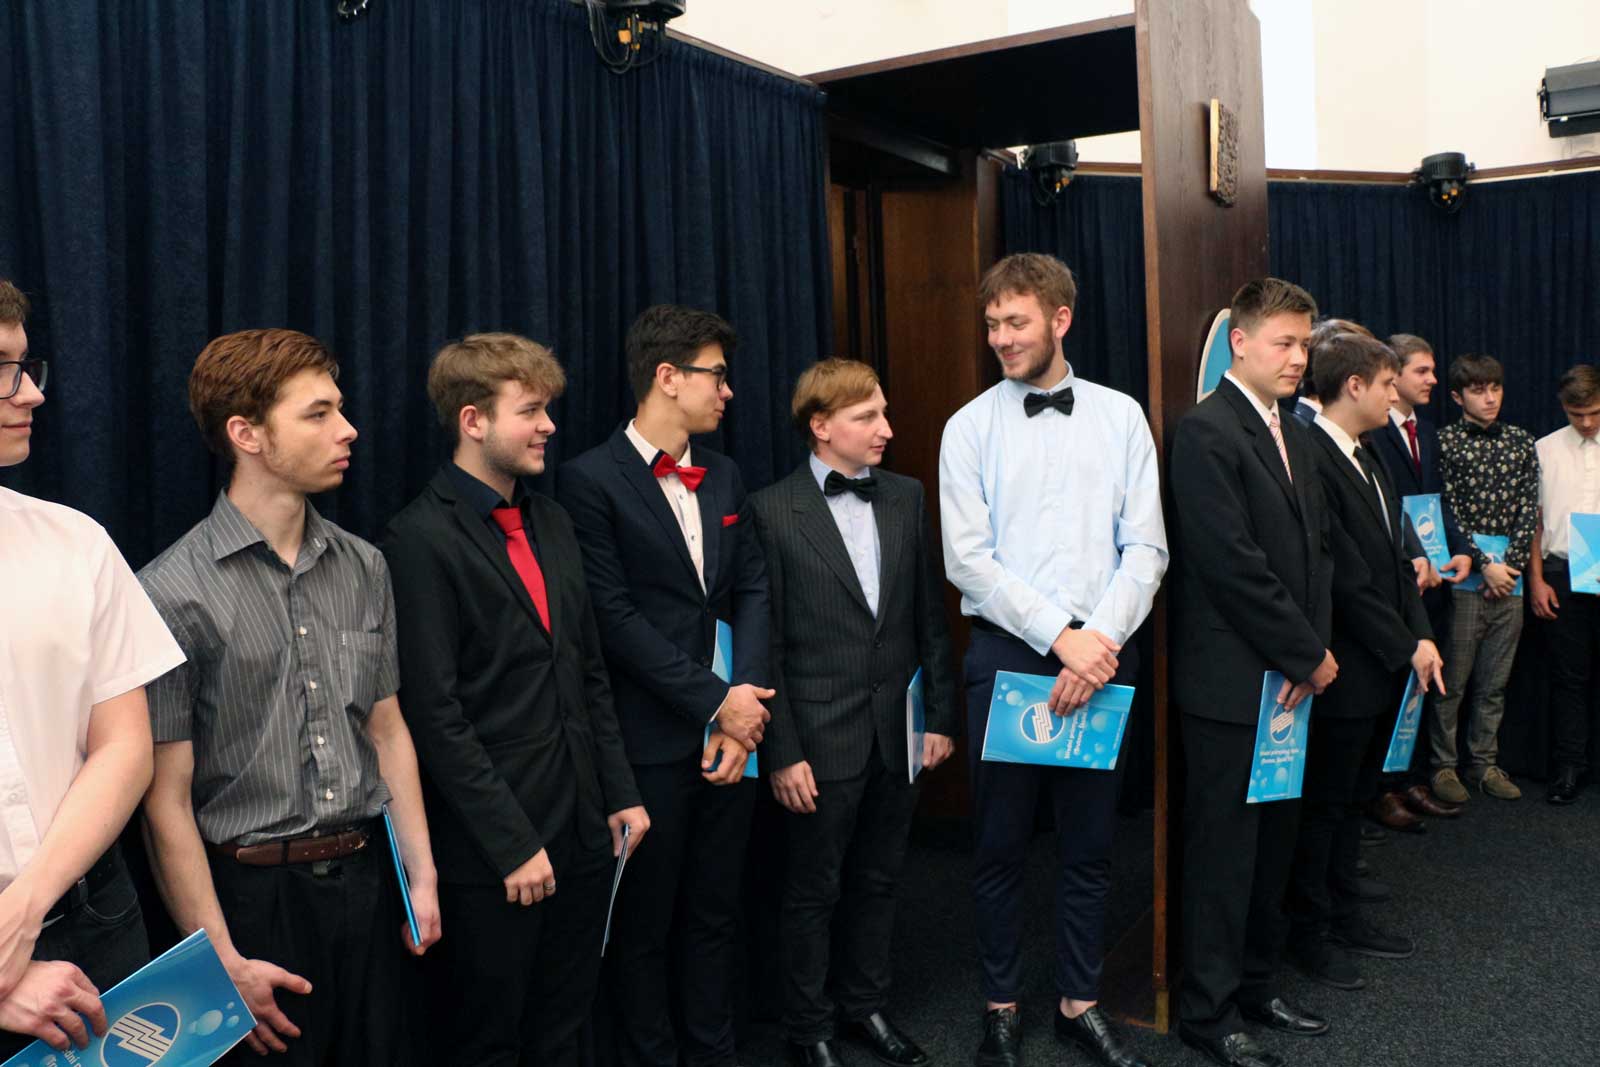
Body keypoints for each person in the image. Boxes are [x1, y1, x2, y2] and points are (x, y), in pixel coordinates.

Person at [140, 328, 442, 1066]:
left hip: (369, 884)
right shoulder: (169, 591)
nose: (349, 429)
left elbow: (386, 728)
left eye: (340, 408)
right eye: (318, 413)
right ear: (246, 434)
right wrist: (219, 958)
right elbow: (164, 798)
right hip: (252, 901)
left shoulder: (365, 566)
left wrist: (421, 872)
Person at [381, 333, 649, 1065]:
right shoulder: (418, 538)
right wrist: (512, 843)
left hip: (584, 830)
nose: (549, 426)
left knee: (565, 1027)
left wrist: (620, 792)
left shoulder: (553, 521)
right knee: (489, 1039)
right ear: (473, 421)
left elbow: (588, 671)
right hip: (493, 850)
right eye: (529, 410)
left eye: (547, 409)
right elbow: (434, 714)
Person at [940, 253, 1167, 1067]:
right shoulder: (968, 427)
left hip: (1104, 652)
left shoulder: (1122, 416)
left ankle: (1079, 1002)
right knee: (1000, 845)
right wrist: (1059, 638)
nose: (1001, 337)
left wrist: (1094, 641)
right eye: (992, 324)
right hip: (1009, 653)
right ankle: (1001, 1006)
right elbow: (967, 561)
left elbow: (1147, 547)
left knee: (1090, 845)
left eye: (1017, 321)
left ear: (1060, 319)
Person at [558, 304, 771, 1067]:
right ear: (668, 376)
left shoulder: (727, 473)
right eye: (718, 375)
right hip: (647, 741)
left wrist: (746, 704)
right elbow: (613, 619)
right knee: (644, 926)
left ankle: (715, 1051)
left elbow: (752, 589)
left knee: (717, 911)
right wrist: (716, 700)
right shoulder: (589, 479)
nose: (728, 391)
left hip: (734, 735)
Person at [752, 359, 957, 1067]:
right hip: (816, 739)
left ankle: (866, 1005)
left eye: (884, 413)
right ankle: (808, 1026)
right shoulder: (770, 510)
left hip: (897, 733)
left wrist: (938, 717)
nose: (886, 429)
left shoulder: (905, 496)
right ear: (820, 425)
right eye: (867, 416)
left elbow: (929, 616)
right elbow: (767, 646)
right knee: (813, 890)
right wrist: (781, 751)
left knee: (881, 879)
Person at [0, 281, 186, 1058]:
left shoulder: (76, 543)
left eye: (26, 365)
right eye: (3, 368)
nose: (32, 392)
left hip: (95, 922)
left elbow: (125, 747)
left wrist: (21, 914)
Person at [1168, 277, 1336, 1067]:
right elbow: (1230, 565)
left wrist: (1310, 653)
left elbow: (1318, 554)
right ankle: (1207, 1011)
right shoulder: (1204, 432)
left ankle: (1259, 984)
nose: (1299, 358)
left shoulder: (1294, 431)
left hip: (1291, 682)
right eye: (1284, 342)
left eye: (1305, 344)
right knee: (1223, 856)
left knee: (1274, 847)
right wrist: (1306, 653)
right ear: (1239, 342)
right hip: (1231, 686)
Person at [1286, 331, 1444, 992]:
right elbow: (1346, 577)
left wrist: (1420, 636)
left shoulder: (1369, 451)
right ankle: (1310, 933)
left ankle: (1345, 913)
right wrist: (1405, 644)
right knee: (1323, 808)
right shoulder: (1311, 454)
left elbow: (1397, 561)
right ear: (1354, 385)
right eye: (1385, 384)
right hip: (1344, 667)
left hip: (1381, 664)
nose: (1395, 395)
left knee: (1352, 802)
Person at [1365, 333, 1472, 826]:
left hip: (1435, 581)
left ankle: (1410, 779)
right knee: (1389, 685)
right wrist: (1412, 558)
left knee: (1423, 683)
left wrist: (1461, 549)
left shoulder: (1425, 432)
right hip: (1397, 578)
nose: (1432, 379)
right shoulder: (1371, 431)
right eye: (1421, 371)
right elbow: (1387, 509)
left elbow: (1437, 501)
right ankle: (1380, 790)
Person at [1430, 354, 1539, 803]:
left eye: (1495, 388)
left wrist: (1508, 567)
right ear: (1457, 397)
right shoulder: (1444, 443)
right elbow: (1446, 509)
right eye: (1478, 390)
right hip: (1463, 579)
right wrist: (1482, 564)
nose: (1490, 398)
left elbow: (1529, 508)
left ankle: (1484, 762)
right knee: (1452, 681)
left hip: (1509, 581)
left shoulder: (1521, 441)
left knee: (1494, 683)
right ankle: (1442, 766)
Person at [1526, 364, 1600, 805]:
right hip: (1562, 572)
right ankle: (1569, 766)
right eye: (1577, 414)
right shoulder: (1545, 449)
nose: (1587, 422)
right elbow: (1534, 523)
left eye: (1594, 412)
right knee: (1568, 676)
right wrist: (1536, 580)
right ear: (1563, 408)